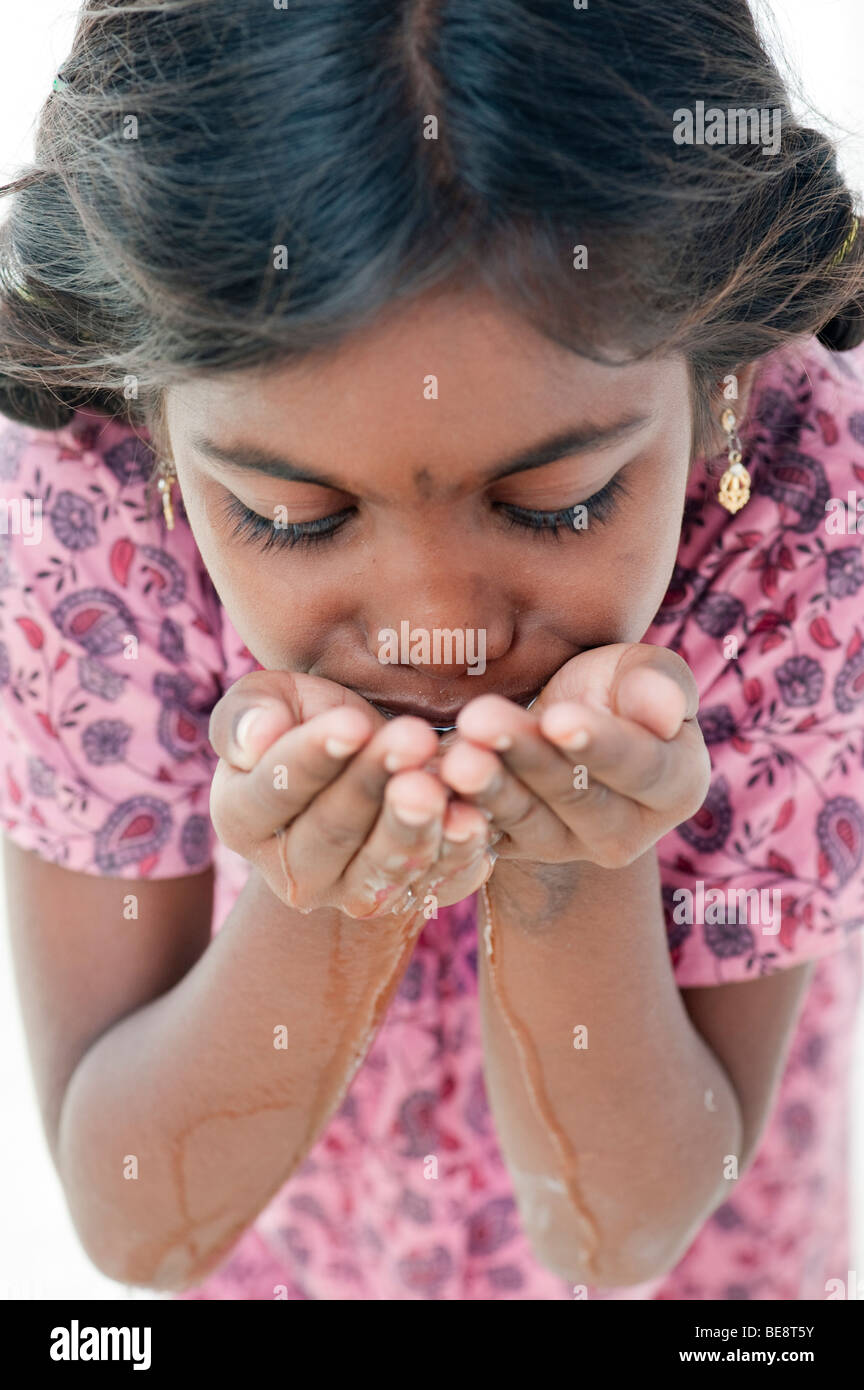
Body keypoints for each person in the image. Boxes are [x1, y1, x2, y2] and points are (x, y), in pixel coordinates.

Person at [1, 0, 863, 1301]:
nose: (439, 632)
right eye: (293, 517)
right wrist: (329, 897)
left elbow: (617, 1237)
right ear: (158, 438)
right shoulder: (85, 516)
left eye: (560, 503)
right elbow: (136, 1228)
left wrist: (576, 868)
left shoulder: (801, 514)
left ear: (722, 391)